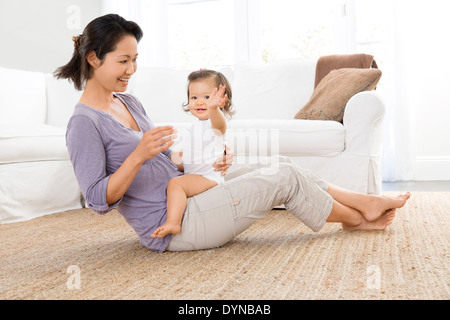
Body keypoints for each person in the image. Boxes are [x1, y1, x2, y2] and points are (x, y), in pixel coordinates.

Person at [57, 14, 411, 253]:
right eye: (123, 61)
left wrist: (203, 160)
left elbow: (165, 163)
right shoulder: (83, 124)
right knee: (283, 178)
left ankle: (365, 201)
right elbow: (97, 200)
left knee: (278, 162)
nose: (132, 69)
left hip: (188, 190)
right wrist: (138, 156)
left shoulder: (128, 101)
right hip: (173, 224)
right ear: (92, 58)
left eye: (135, 59)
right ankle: (358, 220)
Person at [151, 70, 234, 238]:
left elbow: (219, 124)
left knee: (176, 184)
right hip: (198, 175)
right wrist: (165, 158)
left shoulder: (215, 123)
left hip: (209, 178)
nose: (200, 102)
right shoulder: (195, 126)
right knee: (168, 168)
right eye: (194, 98)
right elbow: (188, 156)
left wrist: (214, 109)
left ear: (221, 100)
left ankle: (173, 222)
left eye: (207, 97)